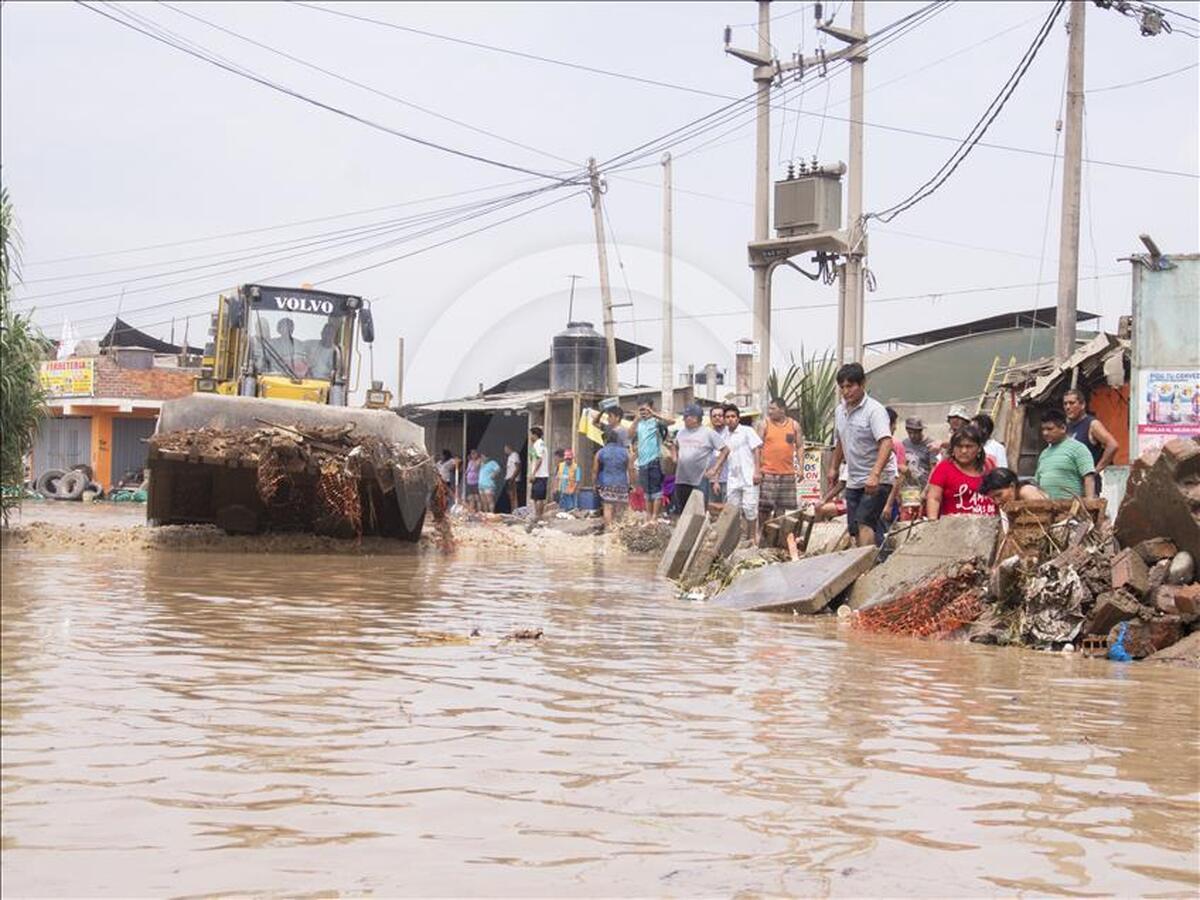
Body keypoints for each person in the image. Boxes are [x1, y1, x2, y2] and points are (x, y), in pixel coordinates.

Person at [828, 363, 897, 547]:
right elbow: (841, 441)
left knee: (864, 522)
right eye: (842, 387)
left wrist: (875, 474)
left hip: (878, 479)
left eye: (850, 386)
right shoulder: (840, 411)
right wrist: (834, 468)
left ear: (862, 384)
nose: (846, 391)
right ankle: (864, 563)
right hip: (854, 478)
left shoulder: (875, 411)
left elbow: (886, 442)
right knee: (854, 528)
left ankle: (866, 570)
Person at [706, 404, 763, 546]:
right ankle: (737, 539)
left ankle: (752, 539)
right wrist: (716, 476)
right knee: (732, 509)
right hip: (733, 478)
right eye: (727, 417)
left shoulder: (747, 431)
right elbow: (723, 456)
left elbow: (756, 450)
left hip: (749, 477)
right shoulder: (724, 436)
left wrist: (757, 471)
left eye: (733, 417)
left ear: (738, 418)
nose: (730, 419)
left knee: (750, 509)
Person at [926, 425, 997, 519]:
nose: (963, 451)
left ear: (979, 448)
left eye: (969, 446)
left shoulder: (989, 466)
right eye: (959, 446)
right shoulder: (944, 468)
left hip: (989, 525)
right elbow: (934, 498)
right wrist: (933, 524)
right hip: (955, 528)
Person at [670, 403, 723, 514]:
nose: (684, 419)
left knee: (699, 512)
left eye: (686, 417)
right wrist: (674, 457)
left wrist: (714, 468)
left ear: (695, 418)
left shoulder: (708, 433)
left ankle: (699, 531)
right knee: (683, 510)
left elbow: (725, 450)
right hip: (682, 478)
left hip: (699, 479)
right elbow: (674, 445)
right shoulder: (681, 432)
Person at [1034, 408, 1097, 499]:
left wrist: (1089, 503)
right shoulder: (1044, 454)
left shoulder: (1078, 448)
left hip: (1072, 509)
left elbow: (1088, 477)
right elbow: (1037, 483)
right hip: (1047, 509)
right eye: (1043, 429)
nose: (1045, 433)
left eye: (1050, 429)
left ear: (1063, 428)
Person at [758, 397, 802, 523]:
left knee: (782, 508)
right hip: (768, 473)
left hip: (787, 473)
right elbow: (758, 448)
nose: (770, 412)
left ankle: (776, 536)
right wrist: (758, 469)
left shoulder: (794, 425)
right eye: (769, 409)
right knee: (764, 509)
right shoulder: (764, 424)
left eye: (773, 409)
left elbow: (799, 447)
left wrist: (800, 468)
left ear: (782, 410)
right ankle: (761, 534)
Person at [1063, 388, 1119, 488]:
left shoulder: (1092, 424)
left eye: (1072, 403)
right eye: (1065, 404)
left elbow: (1113, 445)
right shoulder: (1067, 426)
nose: (1068, 407)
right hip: (1071, 484)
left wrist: (1095, 471)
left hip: (1089, 486)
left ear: (1082, 405)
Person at [631, 399, 673, 522]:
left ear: (651, 408)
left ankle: (655, 517)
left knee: (657, 491)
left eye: (645, 409)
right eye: (641, 410)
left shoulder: (656, 422)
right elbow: (629, 434)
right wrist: (636, 419)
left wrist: (654, 414)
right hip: (642, 463)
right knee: (647, 493)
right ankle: (649, 517)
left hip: (655, 461)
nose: (643, 412)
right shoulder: (639, 424)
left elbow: (671, 422)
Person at [593, 430, 631, 530]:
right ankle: (618, 530)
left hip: (607, 483)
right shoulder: (625, 452)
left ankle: (609, 530)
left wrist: (594, 484)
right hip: (622, 484)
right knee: (619, 509)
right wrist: (632, 484)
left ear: (606, 440)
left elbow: (594, 470)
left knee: (608, 507)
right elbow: (631, 469)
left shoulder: (600, 452)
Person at [901, 416, 938, 488]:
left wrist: (927, 489)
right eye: (909, 433)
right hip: (909, 486)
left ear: (921, 431)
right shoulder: (904, 443)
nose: (912, 436)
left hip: (924, 485)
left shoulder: (931, 444)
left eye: (915, 433)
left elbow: (934, 469)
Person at [980, 467, 1048, 506]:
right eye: (993, 498)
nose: (997, 502)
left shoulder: (1026, 491)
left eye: (999, 495)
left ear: (1012, 486)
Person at [707, 405, 729, 510]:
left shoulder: (729, 434)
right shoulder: (708, 434)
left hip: (727, 479)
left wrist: (717, 480)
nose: (717, 418)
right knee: (712, 510)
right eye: (714, 416)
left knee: (727, 510)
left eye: (720, 415)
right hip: (710, 479)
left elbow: (722, 456)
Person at [527, 426, 549, 526]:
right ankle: (537, 516)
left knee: (539, 498)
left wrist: (533, 473)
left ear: (535, 435)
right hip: (539, 475)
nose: (530, 436)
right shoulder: (538, 444)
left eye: (531, 434)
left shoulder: (539, 444)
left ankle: (539, 516)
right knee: (536, 497)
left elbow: (539, 460)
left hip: (540, 475)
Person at [504, 444, 521, 513]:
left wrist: (512, 477)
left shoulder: (515, 455)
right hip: (509, 478)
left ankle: (515, 512)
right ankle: (512, 511)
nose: (505, 451)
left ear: (509, 448)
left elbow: (518, 467)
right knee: (511, 496)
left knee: (514, 496)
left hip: (513, 479)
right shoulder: (509, 457)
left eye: (505, 449)